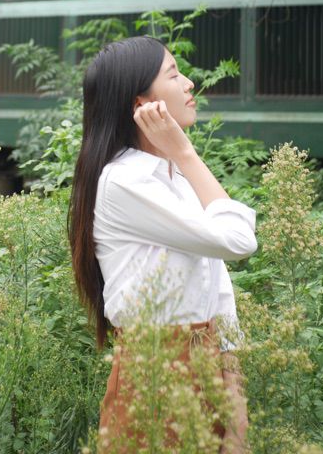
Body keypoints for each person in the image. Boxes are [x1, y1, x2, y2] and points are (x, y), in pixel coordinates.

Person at [68, 36, 257, 453]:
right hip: (157, 375)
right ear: (143, 105)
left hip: (207, 364)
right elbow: (239, 240)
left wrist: (234, 396)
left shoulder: (168, 175)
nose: (189, 83)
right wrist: (186, 153)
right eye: (173, 75)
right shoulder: (126, 182)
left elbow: (216, 286)